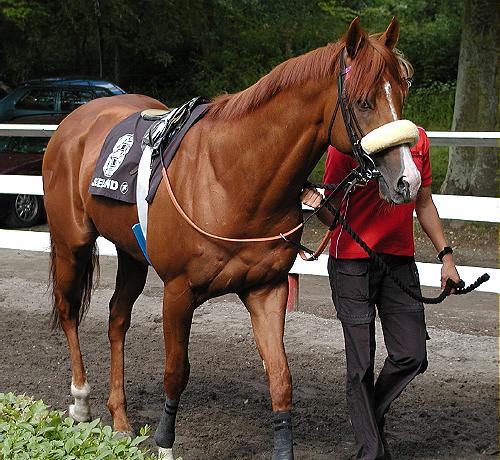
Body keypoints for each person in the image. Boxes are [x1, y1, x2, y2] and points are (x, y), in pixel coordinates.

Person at [300, 127, 461, 460]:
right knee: (361, 364)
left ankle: (367, 418)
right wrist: (317, 203)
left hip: (399, 262)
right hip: (351, 264)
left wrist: (446, 257)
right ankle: (370, 451)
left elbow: (424, 203)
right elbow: (333, 214)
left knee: (412, 355)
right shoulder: (346, 146)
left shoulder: (418, 140)